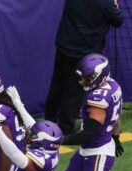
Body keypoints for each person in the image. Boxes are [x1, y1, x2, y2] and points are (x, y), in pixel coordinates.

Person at [44, 0, 124, 135]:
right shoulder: (106, 2)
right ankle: (66, 128)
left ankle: (49, 119)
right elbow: (118, 20)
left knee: (57, 84)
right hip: (84, 52)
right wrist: (115, 5)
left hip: (64, 45)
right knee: (74, 92)